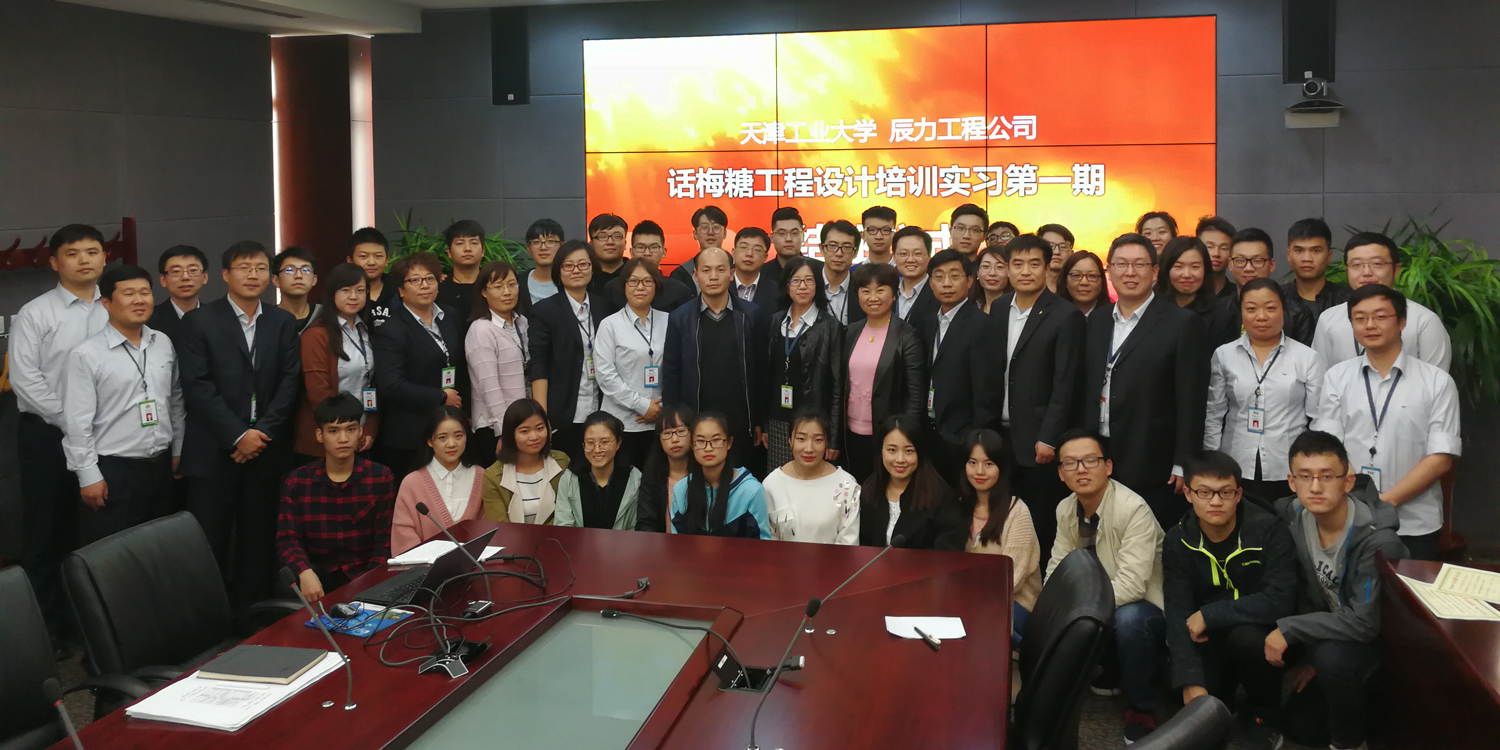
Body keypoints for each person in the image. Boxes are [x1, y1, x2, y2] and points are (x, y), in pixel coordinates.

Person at [179, 240, 302, 613]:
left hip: (265, 450)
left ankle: (253, 614)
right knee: (209, 541)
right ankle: (208, 619)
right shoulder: (199, 321)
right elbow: (197, 387)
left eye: (261, 268)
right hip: (213, 452)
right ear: (225, 274)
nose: (253, 275)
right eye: (244, 268)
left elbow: (289, 383)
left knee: (258, 539)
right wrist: (237, 435)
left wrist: (260, 434)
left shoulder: (281, 321)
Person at [1269, 430, 1406, 750]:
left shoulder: (1377, 540)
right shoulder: (1293, 514)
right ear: (1292, 482)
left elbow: (1365, 623)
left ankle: (1350, 744)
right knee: (1302, 727)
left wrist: (1290, 629)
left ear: (1347, 481)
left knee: (1332, 659)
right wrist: (1308, 655)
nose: (1315, 487)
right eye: (1305, 476)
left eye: (1327, 476)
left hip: (1380, 646)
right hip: (1331, 633)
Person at [1313, 284, 1461, 560]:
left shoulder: (1437, 382)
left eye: (1381, 316)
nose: (1370, 325)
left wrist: (1386, 502)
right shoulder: (1337, 377)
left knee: (1407, 588)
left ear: (1402, 322)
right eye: (1360, 318)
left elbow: (1441, 457)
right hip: (1349, 517)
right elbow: (1329, 446)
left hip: (1415, 522)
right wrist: (1359, 502)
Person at [1164, 450, 1298, 750]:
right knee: (1182, 688)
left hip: (1262, 633)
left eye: (1225, 492)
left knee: (1247, 639)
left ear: (1238, 494)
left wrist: (1210, 614)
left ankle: (1263, 715)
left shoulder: (1269, 529)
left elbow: (1281, 599)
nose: (1215, 501)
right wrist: (1190, 681)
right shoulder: (1177, 539)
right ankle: (1221, 696)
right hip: (1209, 638)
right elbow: (1177, 611)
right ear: (1188, 494)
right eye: (1204, 492)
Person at [12, 224, 109, 635]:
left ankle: (91, 626)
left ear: (104, 258)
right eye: (73, 253)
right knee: (46, 531)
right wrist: (74, 421)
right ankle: (47, 632)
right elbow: (25, 380)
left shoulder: (116, 305)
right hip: (47, 435)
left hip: (106, 434)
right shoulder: (36, 313)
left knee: (93, 531)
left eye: (92, 251)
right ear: (54, 262)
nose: (84, 259)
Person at [1083, 233, 1210, 531]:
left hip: (1152, 456)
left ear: (1154, 272)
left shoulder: (1182, 323)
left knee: (1148, 539)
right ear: (1109, 270)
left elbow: (1191, 399)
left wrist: (1183, 461)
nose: (1130, 272)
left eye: (1139, 265)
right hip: (1100, 451)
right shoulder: (1097, 320)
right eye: (1121, 264)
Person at [1046, 429, 1166, 744]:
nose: (1081, 469)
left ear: (1108, 466)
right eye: (1070, 463)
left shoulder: (1133, 509)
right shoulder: (1065, 509)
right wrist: (1052, 606)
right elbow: (1058, 567)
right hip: (1097, 599)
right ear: (1060, 473)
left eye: (1090, 460)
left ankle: (1141, 710)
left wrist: (1079, 610)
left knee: (1129, 619)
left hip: (1147, 606)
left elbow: (1133, 585)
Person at [62, 265, 184, 545]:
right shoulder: (87, 354)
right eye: (129, 294)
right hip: (114, 471)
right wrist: (88, 475)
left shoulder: (162, 342)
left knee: (161, 549)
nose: (139, 300)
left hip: (161, 467)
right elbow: (77, 423)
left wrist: (178, 449)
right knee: (115, 554)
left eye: (145, 292)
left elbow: (175, 400)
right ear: (106, 303)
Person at [993, 235, 1086, 557]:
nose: (1025, 271)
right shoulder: (999, 307)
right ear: (1007, 268)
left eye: (1034, 264)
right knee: (1001, 521)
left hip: (1039, 441)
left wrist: (1049, 437)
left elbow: (1066, 384)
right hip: (999, 435)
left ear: (1048, 268)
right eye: (1017, 264)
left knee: (1038, 524)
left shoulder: (1065, 315)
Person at [1205, 279, 1325, 504]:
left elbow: (1319, 417)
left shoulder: (1307, 358)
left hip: (1289, 464)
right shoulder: (1224, 355)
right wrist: (1211, 460)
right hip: (1236, 461)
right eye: (1251, 309)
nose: (1261, 316)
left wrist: (1315, 463)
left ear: (1283, 310)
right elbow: (1214, 414)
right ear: (1241, 312)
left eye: (1270, 308)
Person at [276, 393, 395, 603]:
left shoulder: (380, 477)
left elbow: (384, 542)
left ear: (360, 431)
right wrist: (304, 571)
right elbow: (287, 538)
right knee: (289, 579)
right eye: (333, 431)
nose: (343, 439)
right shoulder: (297, 481)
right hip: (316, 575)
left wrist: (368, 583)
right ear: (319, 435)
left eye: (350, 429)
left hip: (364, 575)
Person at [663, 246, 766, 472]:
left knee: (739, 479)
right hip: (696, 417)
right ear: (695, 276)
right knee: (701, 479)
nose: (713, 276)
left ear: (731, 274)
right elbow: (671, 372)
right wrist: (673, 423)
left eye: (720, 270)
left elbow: (761, 370)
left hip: (741, 420)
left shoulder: (751, 314)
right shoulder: (679, 317)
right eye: (706, 270)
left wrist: (760, 420)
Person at [372, 251, 467, 486]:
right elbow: (392, 385)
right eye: (414, 280)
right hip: (410, 433)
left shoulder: (451, 316)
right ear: (401, 290)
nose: (424, 285)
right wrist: (441, 397)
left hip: (450, 428)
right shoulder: (391, 329)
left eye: (430, 279)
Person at [1311, 231, 1451, 372]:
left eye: (1377, 264)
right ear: (1347, 272)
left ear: (1396, 270)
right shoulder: (1329, 319)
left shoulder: (1424, 321)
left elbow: (1437, 380)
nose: (1366, 272)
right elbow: (1320, 378)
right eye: (1356, 265)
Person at [842, 263, 926, 482]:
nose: (873, 297)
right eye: (865, 291)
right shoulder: (850, 332)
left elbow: (915, 396)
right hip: (850, 434)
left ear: (894, 294)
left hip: (890, 435)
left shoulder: (907, 336)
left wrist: (905, 440)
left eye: (880, 290)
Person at [530, 240, 608, 463]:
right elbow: (539, 365)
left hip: (602, 409)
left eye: (583, 264)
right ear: (559, 271)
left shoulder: (604, 307)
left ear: (592, 268)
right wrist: (542, 417)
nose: (576, 270)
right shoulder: (544, 311)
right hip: (563, 413)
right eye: (568, 265)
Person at [960, 429, 1041, 643]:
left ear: (1001, 468)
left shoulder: (1016, 511)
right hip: (971, 601)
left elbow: (1012, 579)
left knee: (976, 625)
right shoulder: (958, 508)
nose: (979, 471)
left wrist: (967, 601)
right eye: (972, 463)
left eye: (988, 464)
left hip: (1015, 604)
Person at [920, 248, 995, 481]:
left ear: (970, 281)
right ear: (930, 283)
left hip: (961, 437)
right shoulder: (927, 323)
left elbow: (986, 391)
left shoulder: (982, 325)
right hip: (929, 432)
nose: (946, 283)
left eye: (954, 276)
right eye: (939, 276)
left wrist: (974, 438)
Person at [763, 256, 843, 473]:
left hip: (813, 424)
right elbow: (767, 377)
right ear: (786, 286)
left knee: (812, 478)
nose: (802, 286)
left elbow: (837, 385)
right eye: (796, 281)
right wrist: (765, 423)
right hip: (778, 420)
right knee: (780, 479)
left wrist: (833, 436)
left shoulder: (830, 326)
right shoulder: (776, 321)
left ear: (818, 285)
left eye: (809, 280)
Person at [295, 263, 379, 460]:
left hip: (361, 434)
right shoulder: (316, 334)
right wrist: (347, 432)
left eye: (360, 291)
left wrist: (368, 429)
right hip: (327, 436)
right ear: (332, 293)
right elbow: (318, 392)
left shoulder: (366, 330)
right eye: (346, 290)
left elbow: (372, 384)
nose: (353, 296)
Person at [594, 258, 668, 469]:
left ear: (656, 286)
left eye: (647, 281)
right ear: (624, 285)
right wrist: (642, 406)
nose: (640, 287)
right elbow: (606, 376)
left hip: (660, 422)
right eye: (633, 281)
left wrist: (661, 407)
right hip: (621, 424)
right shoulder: (610, 325)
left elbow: (677, 369)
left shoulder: (669, 321)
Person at [857, 415, 966, 550]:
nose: (900, 459)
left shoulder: (940, 496)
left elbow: (948, 550)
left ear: (919, 453)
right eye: (892, 450)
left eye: (909, 451)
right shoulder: (869, 492)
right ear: (881, 452)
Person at [391, 406, 484, 555]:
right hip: (424, 567)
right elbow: (403, 536)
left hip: (477, 565)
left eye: (458, 436)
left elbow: (488, 529)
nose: (451, 444)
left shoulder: (482, 477)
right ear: (429, 441)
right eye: (442, 438)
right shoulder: (412, 483)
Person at [761, 408, 859, 544]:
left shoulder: (847, 485)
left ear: (827, 442)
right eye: (801, 439)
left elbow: (849, 542)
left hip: (832, 558)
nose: (809, 449)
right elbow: (768, 539)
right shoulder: (772, 484)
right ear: (790, 440)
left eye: (818, 440)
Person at [465, 260, 530, 465]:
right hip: (494, 427)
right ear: (484, 292)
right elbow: (489, 386)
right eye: (498, 286)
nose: (507, 292)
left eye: (512, 285)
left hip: (523, 421)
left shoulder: (522, 322)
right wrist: (504, 432)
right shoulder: (481, 330)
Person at [669, 412, 770, 539]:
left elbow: (762, 544)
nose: (708, 448)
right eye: (700, 441)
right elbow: (676, 543)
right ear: (692, 445)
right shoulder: (682, 489)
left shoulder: (751, 491)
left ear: (729, 443)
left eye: (716, 440)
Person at [481, 398, 570, 524]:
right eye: (524, 431)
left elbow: (568, 514)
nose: (534, 437)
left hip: (557, 535)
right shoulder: (492, 476)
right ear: (510, 434)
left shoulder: (562, 462)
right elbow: (499, 525)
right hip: (510, 537)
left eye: (540, 428)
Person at [1220, 227, 1316, 345]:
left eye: (1258, 260)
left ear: (1272, 265)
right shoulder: (1219, 311)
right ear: (1230, 264)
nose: (1248, 268)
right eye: (1240, 260)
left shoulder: (1297, 314)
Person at [556, 411, 642, 530]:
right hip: (577, 542)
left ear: (618, 443)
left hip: (624, 542)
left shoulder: (635, 479)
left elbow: (636, 528)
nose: (597, 450)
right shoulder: (569, 479)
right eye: (590, 443)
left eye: (604, 442)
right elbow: (563, 527)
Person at [601, 220, 693, 312]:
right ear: (631, 252)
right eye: (641, 247)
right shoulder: (613, 289)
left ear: (664, 252)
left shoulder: (679, 291)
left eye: (654, 247)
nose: (647, 253)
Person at [1156, 236, 1231, 344]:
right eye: (1178, 266)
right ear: (1166, 269)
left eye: (1195, 267)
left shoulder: (1221, 315)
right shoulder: (1152, 309)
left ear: (1205, 269)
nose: (1187, 274)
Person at [635, 405, 695, 532]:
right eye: (667, 433)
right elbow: (645, 522)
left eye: (681, 431)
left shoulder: (704, 473)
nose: (675, 439)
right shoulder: (652, 475)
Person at [1283, 218, 1349, 319]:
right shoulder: (1276, 299)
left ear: (1329, 256)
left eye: (1316, 251)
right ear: (1288, 255)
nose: (1307, 259)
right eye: (1299, 251)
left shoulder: (1348, 301)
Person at [149, 244, 209, 342]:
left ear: (205, 277)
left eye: (193, 270)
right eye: (176, 271)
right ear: (163, 280)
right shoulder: (149, 320)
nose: (185, 277)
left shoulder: (218, 319)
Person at [670, 205, 729, 291]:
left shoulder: (737, 270)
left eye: (716, 227)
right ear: (695, 234)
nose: (710, 232)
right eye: (704, 228)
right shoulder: (680, 275)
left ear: (725, 233)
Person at [436, 219, 488, 314]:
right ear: (449, 252)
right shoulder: (438, 289)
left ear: (483, 251)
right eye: (460, 243)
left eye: (474, 243)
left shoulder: (492, 285)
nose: (467, 249)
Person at [348, 227, 397, 326]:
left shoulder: (400, 291)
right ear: (350, 260)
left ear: (387, 260)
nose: (371, 262)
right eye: (363, 256)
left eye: (378, 256)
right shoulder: (340, 294)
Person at [819, 219, 864, 325]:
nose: (839, 253)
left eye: (847, 247)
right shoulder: (808, 286)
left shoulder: (862, 289)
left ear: (855, 252)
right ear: (821, 249)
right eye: (832, 246)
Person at [891, 225, 938, 326]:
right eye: (903, 254)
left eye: (917, 254)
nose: (910, 260)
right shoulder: (888, 291)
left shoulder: (939, 292)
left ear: (929, 255)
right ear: (894, 257)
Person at [731, 226, 781, 314]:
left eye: (757, 249)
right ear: (733, 252)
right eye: (743, 247)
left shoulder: (776, 291)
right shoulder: (720, 285)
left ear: (765, 257)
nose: (749, 254)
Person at [520, 218, 565, 312]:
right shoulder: (518, 282)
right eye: (536, 242)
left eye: (550, 241)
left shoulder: (571, 282)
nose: (543, 247)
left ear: (562, 245)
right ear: (529, 248)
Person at [273, 247, 320, 334]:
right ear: (276, 280)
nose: (299, 276)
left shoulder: (325, 315)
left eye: (306, 270)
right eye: (289, 270)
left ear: (314, 279)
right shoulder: (266, 318)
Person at [768, 206, 823, 280]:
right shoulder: (760, 273)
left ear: (803, 236)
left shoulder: (821, 271)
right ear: (772, 238)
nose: (788, 239)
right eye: (782, 233)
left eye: (794, 233)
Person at [1195, 215, 1237, 301]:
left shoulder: (1238, 295)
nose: (1216, 254)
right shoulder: (1187, 293)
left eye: (1224, 248)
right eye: (1209, 247)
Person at [587, 213, 630, 293]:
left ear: (625, 243)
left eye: (617, 236)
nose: (610, 242)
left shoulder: (635, 273)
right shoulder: (584, 277)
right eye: (602, 236)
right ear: (591, 244)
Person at [1058, 249, 1107, 316]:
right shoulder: (1052, 315)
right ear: (1065, 280)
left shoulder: (1113, 317)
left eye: (1092, 276)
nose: (1084, 282)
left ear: (1102, 281)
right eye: (1076, 275)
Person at [969, 244, 1010, 313]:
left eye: (999, 267)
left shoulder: (1015, 309)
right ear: (978, 272)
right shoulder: (971, 308)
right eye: (986, 266)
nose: (992, 273)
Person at [1037, 223, 1074, 292]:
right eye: (1050, 246)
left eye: (1063, 247)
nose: (1056, 252)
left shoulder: (1075, 289)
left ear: (1071, 253)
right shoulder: (1027, 286)